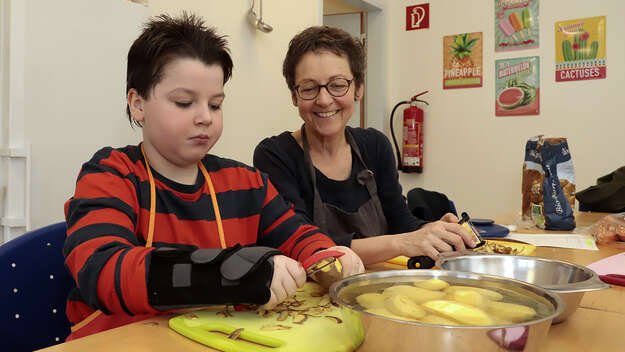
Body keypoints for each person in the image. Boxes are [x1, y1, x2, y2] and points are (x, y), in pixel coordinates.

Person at [63, 14, 363, 340]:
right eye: (184, 102)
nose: (205, 117)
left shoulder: (246, 182)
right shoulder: (111, 174)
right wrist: (233, 274)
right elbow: (104, 271)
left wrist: (329, 258)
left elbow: (299, 236)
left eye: (216, 105)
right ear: (138, 104)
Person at [254, 26, 476, 265]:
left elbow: (401, 222)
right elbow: (299, 242)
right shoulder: (275, 155)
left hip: (378, 289)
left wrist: (433, 230)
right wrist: (401, 242)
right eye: (309, 89)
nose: (324, 99)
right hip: (311, 297)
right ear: (294, 96)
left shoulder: (375, 145)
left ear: (358, 88)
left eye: (338, 85)